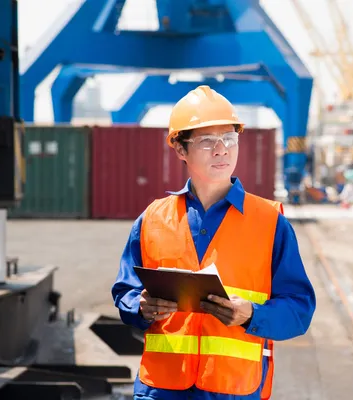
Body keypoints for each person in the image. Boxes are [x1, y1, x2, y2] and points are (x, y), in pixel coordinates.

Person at [111, 85, 316, 400]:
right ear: (180, 149)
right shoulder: (152, 219)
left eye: (229, 139)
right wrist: (139, 306)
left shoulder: (270, 222)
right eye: (207, 141)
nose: (222, 149)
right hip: (161, 389)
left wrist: (251, 314)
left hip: (233, 390)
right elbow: (125, 291)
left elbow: (299, 310)